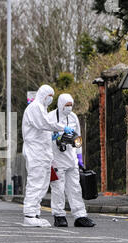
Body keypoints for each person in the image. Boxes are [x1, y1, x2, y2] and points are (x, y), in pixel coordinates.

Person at [22, 85, 73, 227]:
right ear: (44, 95)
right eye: (49, 95)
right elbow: (44, 124)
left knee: (43, 184)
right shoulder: (34, 107)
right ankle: (29, 214)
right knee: (36, 182)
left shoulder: (41, 109)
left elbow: (42, 130)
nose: (51, 99)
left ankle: (34, 213)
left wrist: (52, 136)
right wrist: (62, 128)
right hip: (36, 153)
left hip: (43, 153)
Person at [49, 94, 96, 228]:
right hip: (56, 159)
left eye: (71, 105)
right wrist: (54, 137)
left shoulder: (73, 117)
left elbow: (78, 138)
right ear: (60, 104)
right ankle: (59, 215)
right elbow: (44, 136)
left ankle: (80, 215)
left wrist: (79, 157)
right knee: (58, 188)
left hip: (71, 158)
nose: (69, 108)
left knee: (75, 188)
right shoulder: (51, 117)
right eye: (66, 105)